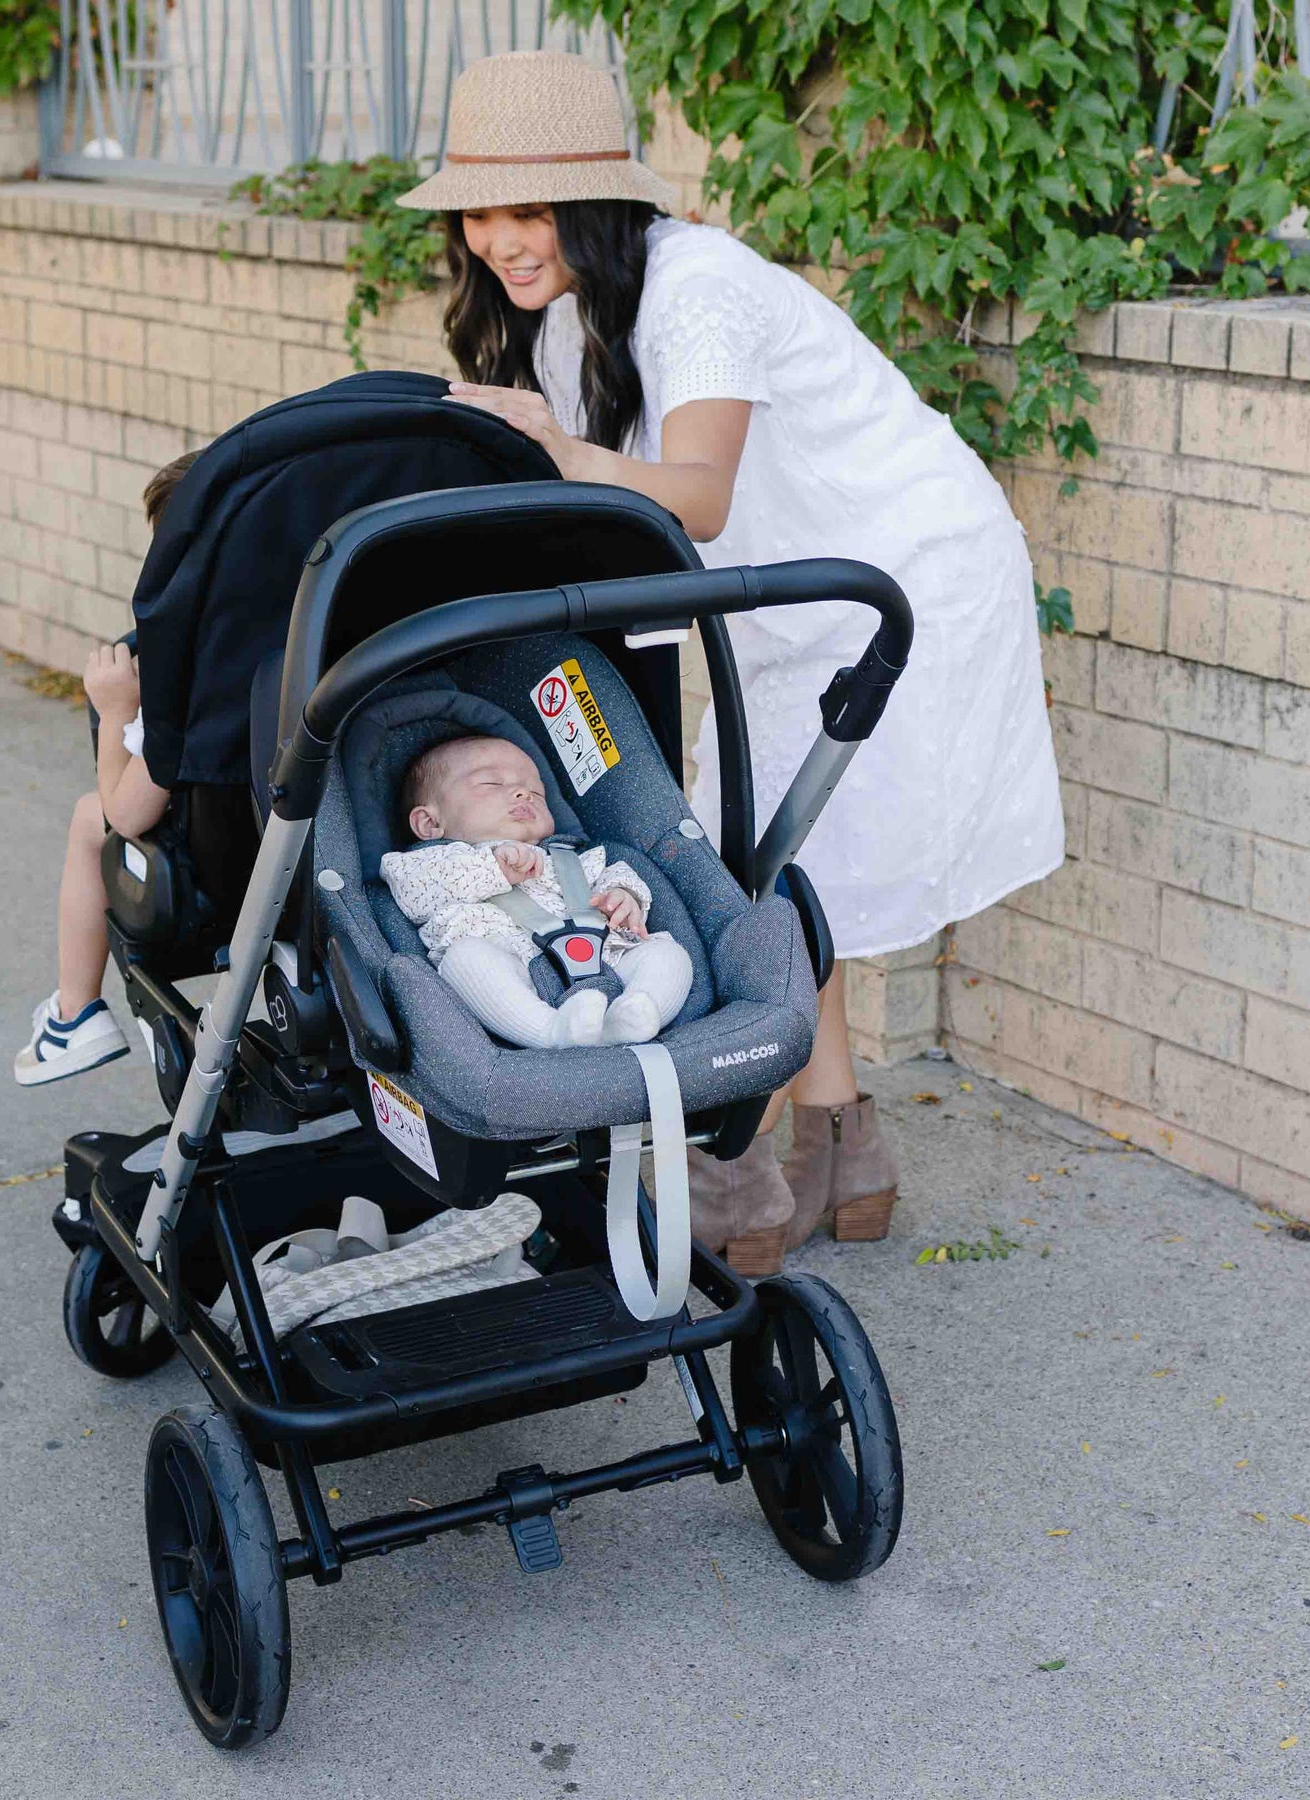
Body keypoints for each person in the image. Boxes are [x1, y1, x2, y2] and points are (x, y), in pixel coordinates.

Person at [398, 50, 1064, 1259]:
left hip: (894, 576)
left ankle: (746, 1164)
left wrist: (556, 449)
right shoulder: (564, 325)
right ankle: (841, 1152)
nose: (498, 239)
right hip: (781, 600)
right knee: (763, 864)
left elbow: (694, 499)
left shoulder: (693, 288)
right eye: (480, 211)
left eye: (527, 209)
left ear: (594, 204)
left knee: (757, 874)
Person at [13, 449, 201, 1085]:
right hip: (327, 847)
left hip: (224, 866)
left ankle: (74, 1013)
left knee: (91, 816)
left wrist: (119, 710)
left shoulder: (183, 667)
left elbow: (128, 809)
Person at [381, 734, 693, 1050]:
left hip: (604, 960)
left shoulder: (566, 857)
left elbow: (612, 874)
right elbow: (413, 893)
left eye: (536, 792)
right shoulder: (427, 863)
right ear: (430, 823)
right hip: (513, 974)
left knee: (667, 954)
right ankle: (552, 1032)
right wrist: (494, 869)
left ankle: (637, 1015)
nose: (523, 793)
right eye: (491, 784)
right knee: (464, 960)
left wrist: (624, 895)